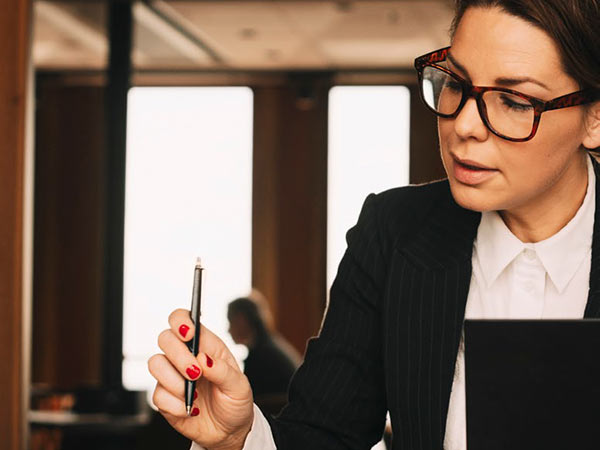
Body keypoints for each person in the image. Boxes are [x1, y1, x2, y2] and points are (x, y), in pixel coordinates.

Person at [147, 1, 600, 449]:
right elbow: (324, 433)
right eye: (456, 83)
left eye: (514, 101)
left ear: (594, 118)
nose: (463, 124)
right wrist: (239, 437)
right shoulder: (393, 232)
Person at [227, 294, 301, 415]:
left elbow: (250, 402)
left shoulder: (260, 357)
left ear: (241, 320)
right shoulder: (272, 346)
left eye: (230, 321)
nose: (228, 330)